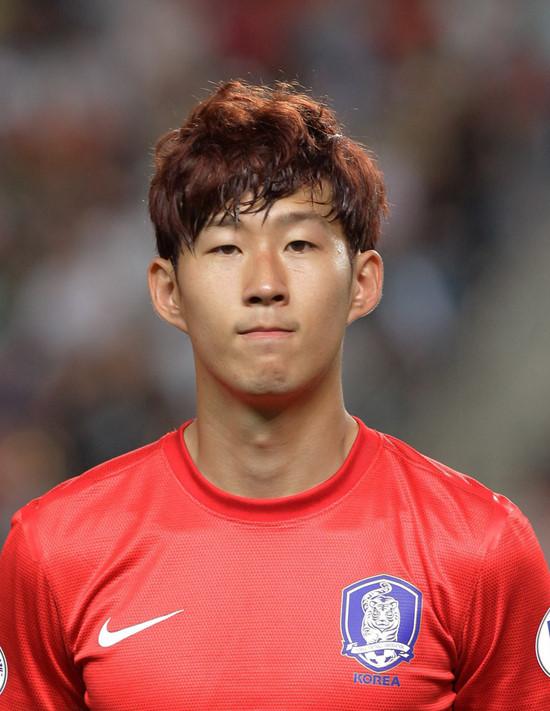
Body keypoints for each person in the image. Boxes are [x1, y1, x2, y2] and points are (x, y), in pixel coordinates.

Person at [0, 80, 548, 710]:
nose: (265, 284)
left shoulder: (479, 548)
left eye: (299, 244)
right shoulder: (57, 551)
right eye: (226, 247)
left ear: (364, 283)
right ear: (168, 292)